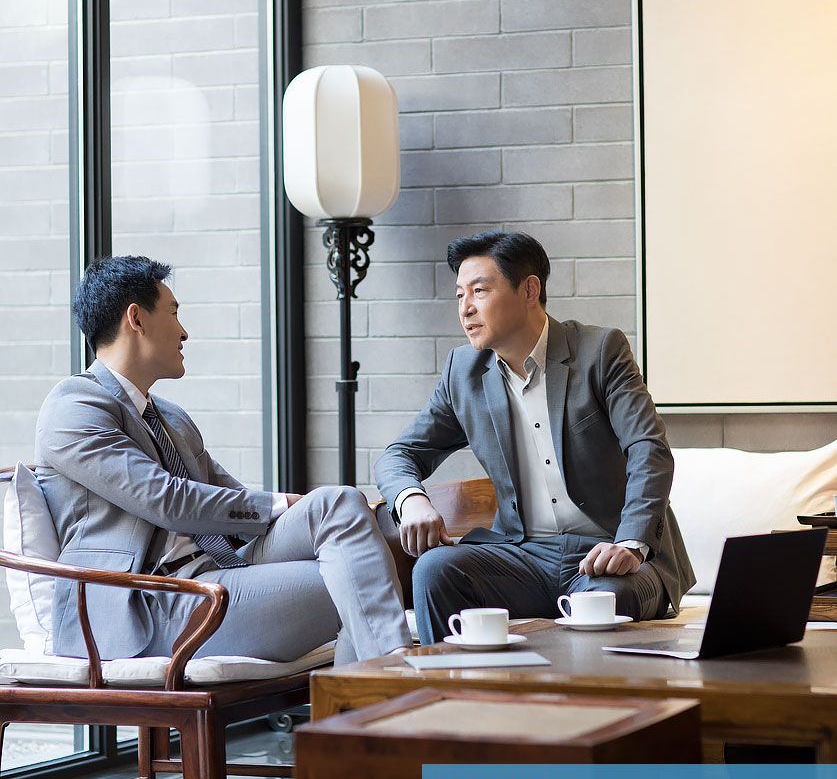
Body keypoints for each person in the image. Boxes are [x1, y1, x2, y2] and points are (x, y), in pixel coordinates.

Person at [35, 256, 412, 664]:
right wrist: (277, 504)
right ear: (137, 319)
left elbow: (228, 497)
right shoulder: (73, 408)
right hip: (147, 602)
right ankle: (384, 691)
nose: (184, 331)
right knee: (357, 580)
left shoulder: (171, 417)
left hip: (217, 572)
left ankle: (371, 695)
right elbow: (168, 500)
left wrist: (292, 505)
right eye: (174, 313)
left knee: (338, 503)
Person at [375, 231, 695, 644]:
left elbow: (649, 450)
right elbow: (399, 454)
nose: (466, 309)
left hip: (607, 552)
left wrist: (631, 543)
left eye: (479, 290)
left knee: (604, 598)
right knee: (435, 569)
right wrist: (410, 498)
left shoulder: (600, 351)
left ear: (529, 289)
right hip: (522, 557)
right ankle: (453, 696)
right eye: (459, 295)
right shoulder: (463, 372)